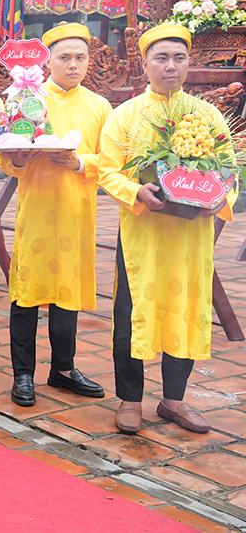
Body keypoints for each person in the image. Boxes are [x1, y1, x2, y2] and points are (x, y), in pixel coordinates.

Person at [98, 24, 235, 435]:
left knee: (188, 309)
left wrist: (218, 197)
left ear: (189, 63)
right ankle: (130, 399)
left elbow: (229, 169)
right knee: (132, 311)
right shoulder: (125, 115)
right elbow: (107, 170)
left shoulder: (208, 115)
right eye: (161, 58)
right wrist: (135, 191)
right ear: (145, 65)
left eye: (179, 58)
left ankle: (174, 399)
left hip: (191, 237)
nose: (171, 66)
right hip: (143, 235)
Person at [0, 22, 111, 406]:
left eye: (81, 57)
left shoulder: (99, 106)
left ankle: (63, 368)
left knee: (68, 291)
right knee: (28, 292)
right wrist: (17, 156)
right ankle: (23, 374)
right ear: (48, 61)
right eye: (65, 57)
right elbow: (4, 157)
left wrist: (80, 162)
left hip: (78, 213)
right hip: (37, 211)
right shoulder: (26, 97)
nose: (74, 64)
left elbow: (111, 163)